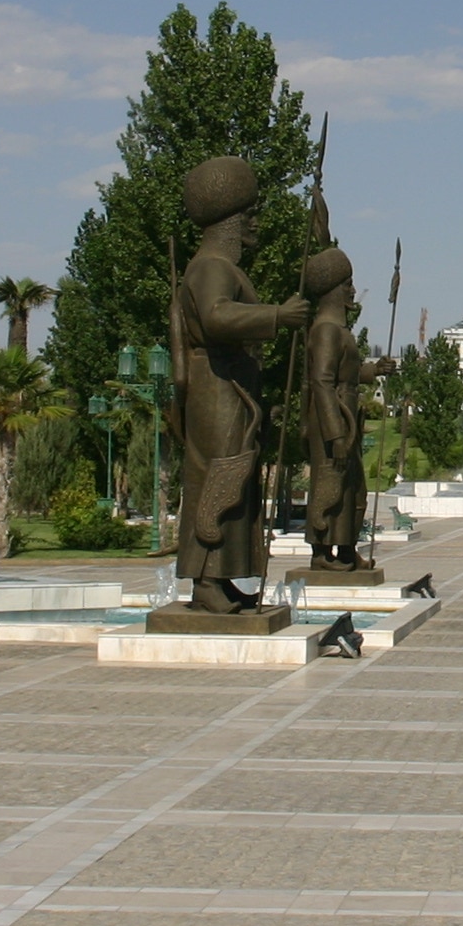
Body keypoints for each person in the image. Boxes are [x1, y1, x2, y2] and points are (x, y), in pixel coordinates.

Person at [168, 157, 307, 613]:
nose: (255, 222)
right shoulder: (211, 266)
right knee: (219, 476)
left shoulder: (220, 267)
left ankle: (223, 577)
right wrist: (277, 315)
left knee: (234, 477)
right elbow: (216, 317)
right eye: (249, 213)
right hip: (216, 385)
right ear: (230, 219)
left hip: (230, 385)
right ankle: (205, 581)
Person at [299, 245, 394, 573]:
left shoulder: (339, 330)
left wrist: (373, 370)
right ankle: (321, 552)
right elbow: (322, 382)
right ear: (331, 290)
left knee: (353, 488)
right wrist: (335, 433)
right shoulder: (326, 330)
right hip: (333, 419)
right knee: (331, 484)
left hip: (346, 416)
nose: (352, 290)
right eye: (347, 284)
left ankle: (347, 550)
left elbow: (346, 375)